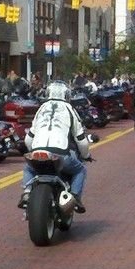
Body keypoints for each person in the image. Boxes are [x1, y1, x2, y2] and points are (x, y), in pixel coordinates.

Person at [18, 81, 92, 213]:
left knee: (29, 169)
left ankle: (27, 192)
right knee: (80, 170)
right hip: (61, 154)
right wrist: (86, 156)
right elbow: (82, 141)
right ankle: (74, 199)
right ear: (67, 95)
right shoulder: (70, 110)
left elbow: (28, 139)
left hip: (37, 151)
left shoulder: (41, 109)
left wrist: (34, 151)